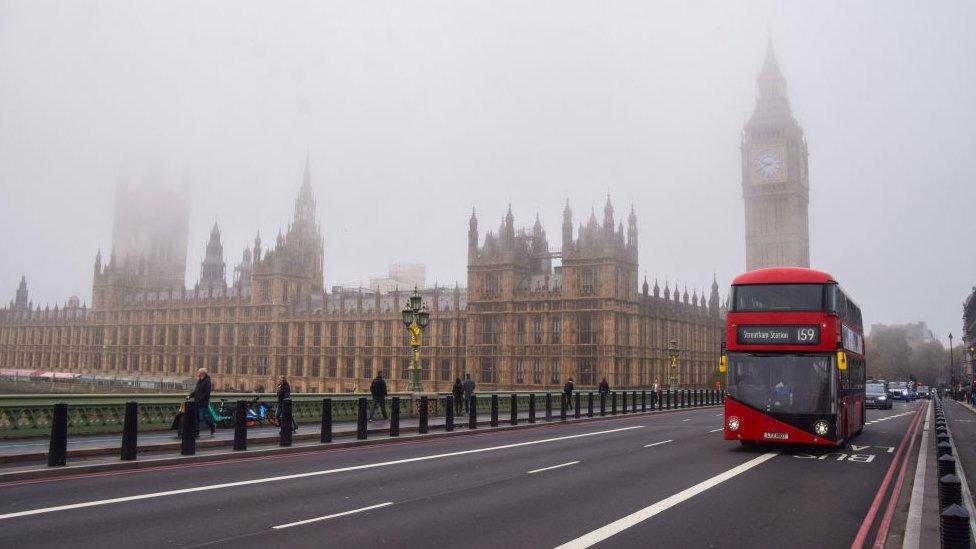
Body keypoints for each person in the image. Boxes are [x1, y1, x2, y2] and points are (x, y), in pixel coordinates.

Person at [190, 368, 215, 437]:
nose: (197, 373)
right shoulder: (199, 380)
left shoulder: (207, 381)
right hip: (197, 402)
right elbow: (196, 391)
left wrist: (200, 399)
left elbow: (206, 393)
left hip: (203, 403)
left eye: (198, 372)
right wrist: (190, 395)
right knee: (196, 418)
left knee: (203, 417)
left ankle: (212, 425)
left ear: (202, 374)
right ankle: (197, 433)